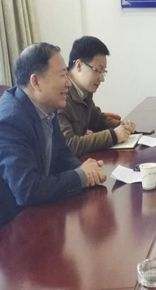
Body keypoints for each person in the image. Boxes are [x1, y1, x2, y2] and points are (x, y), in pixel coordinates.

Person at [0, 43, 107, 229]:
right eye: (62, 75)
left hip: (42, 215)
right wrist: (80, 176)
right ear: (36, 82)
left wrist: (85, 170)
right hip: (14, 228)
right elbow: (27, 190)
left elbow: (62, 154)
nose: (68, 83)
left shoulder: (47, 107)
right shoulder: (10, 121)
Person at [58, 36, 135, 157]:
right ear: (79, 65)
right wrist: (113, 135)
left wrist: (121, 126)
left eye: (103, 72)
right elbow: (69, 145)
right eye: (98, 71)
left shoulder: (84, 91)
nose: (102, 78)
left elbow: (97, 120)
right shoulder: (60, 95)